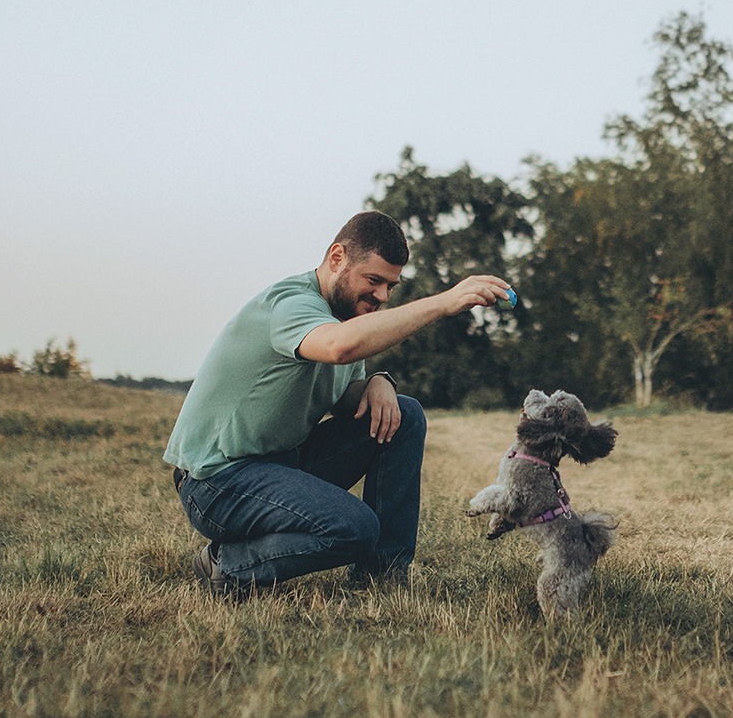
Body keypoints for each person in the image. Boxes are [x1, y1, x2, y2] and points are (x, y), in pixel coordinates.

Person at [164, 211, 510, 598]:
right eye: (374, 280)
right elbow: (340, 346)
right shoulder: (290, 304)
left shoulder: (344, 315)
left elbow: (342, 394)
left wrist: (378, 383)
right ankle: (226, 565)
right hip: (217, 481)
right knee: (354, 527)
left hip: (280, 464)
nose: (381, 295)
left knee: (405, 415)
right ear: (336, 258)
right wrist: (444, 303)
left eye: (390, 286)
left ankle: (382, 579)